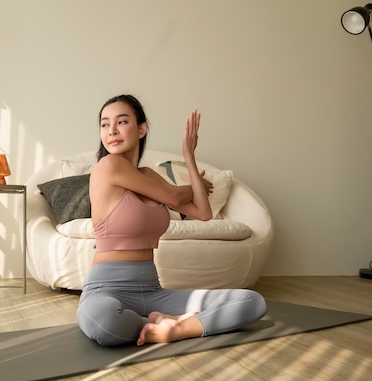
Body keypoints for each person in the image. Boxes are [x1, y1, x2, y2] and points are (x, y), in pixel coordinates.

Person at [76, 94, 267, 347]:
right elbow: (174, 196)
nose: (111, 131)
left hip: (152, 290)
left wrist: (188, 156)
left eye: (121, 122)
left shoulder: (148, 176)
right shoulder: (108, 166)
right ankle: (155, 323)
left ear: (141, 129)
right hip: (106, 289)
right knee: (104, 321)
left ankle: (173, 330)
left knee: (252, 302)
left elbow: (203, 212)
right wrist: (192, 186)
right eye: (104, 124)